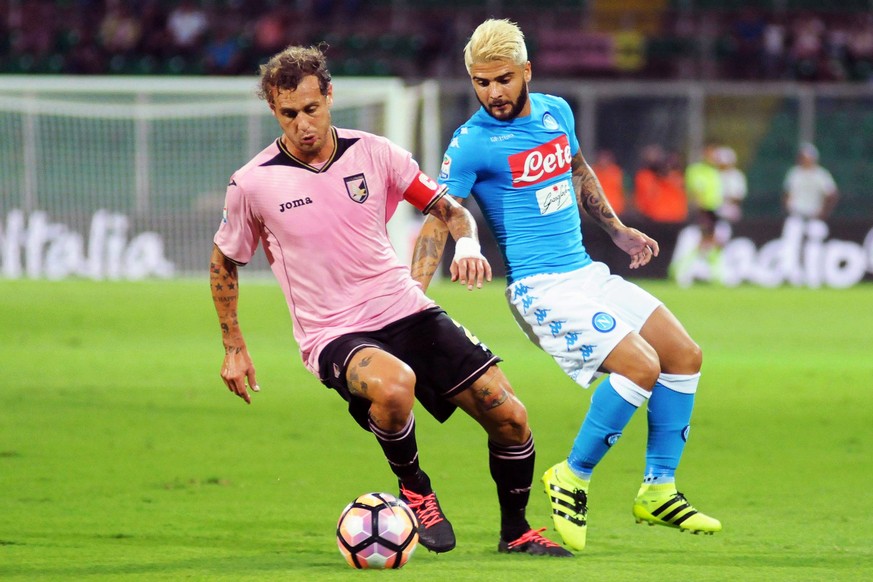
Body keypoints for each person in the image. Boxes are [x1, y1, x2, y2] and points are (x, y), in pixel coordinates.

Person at [209, 44, 571, 558]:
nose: (303, 124)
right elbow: (224, 261)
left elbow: (449, 210)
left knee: (510, 415)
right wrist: (233, 346)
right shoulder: (253, 183)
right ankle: (415, 488)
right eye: (289, 114)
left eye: (312, 109)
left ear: (330, 96)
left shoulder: (375, 152)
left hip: (404, 308)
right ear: (274, 110)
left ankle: (516, 531)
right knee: (394, 385)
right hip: (333, 332)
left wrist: (466, 244)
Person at [410, 19, 721, 552]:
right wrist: (413, 296)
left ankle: (658, 488)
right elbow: (441, 216)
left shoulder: (557, 112)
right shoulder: (472, 144)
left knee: (684, 354)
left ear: (527, 71)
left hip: (587, 273)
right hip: (540, 288)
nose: (493, 93)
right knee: (641, 366)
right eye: (481, 83)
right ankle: (571, 477)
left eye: (503, 79)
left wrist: (617, 230)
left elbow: (577, 169)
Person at [782, 142, 838, 222]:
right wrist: (788, 208)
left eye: (806, 157)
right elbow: (787, 193)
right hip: (796, 214)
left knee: (817, 233)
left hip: (814, 215)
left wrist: (824, 212)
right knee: (791, 232)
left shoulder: (821, 174)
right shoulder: (794, 173)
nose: (804, 160)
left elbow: (832, 194)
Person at [591, 148, 626, 217]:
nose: (604, 160)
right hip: (596, 212)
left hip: (616, 211)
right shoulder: (592, 172)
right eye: (602, 158)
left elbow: (626, 192)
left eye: (606, 158)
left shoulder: (618, 172)